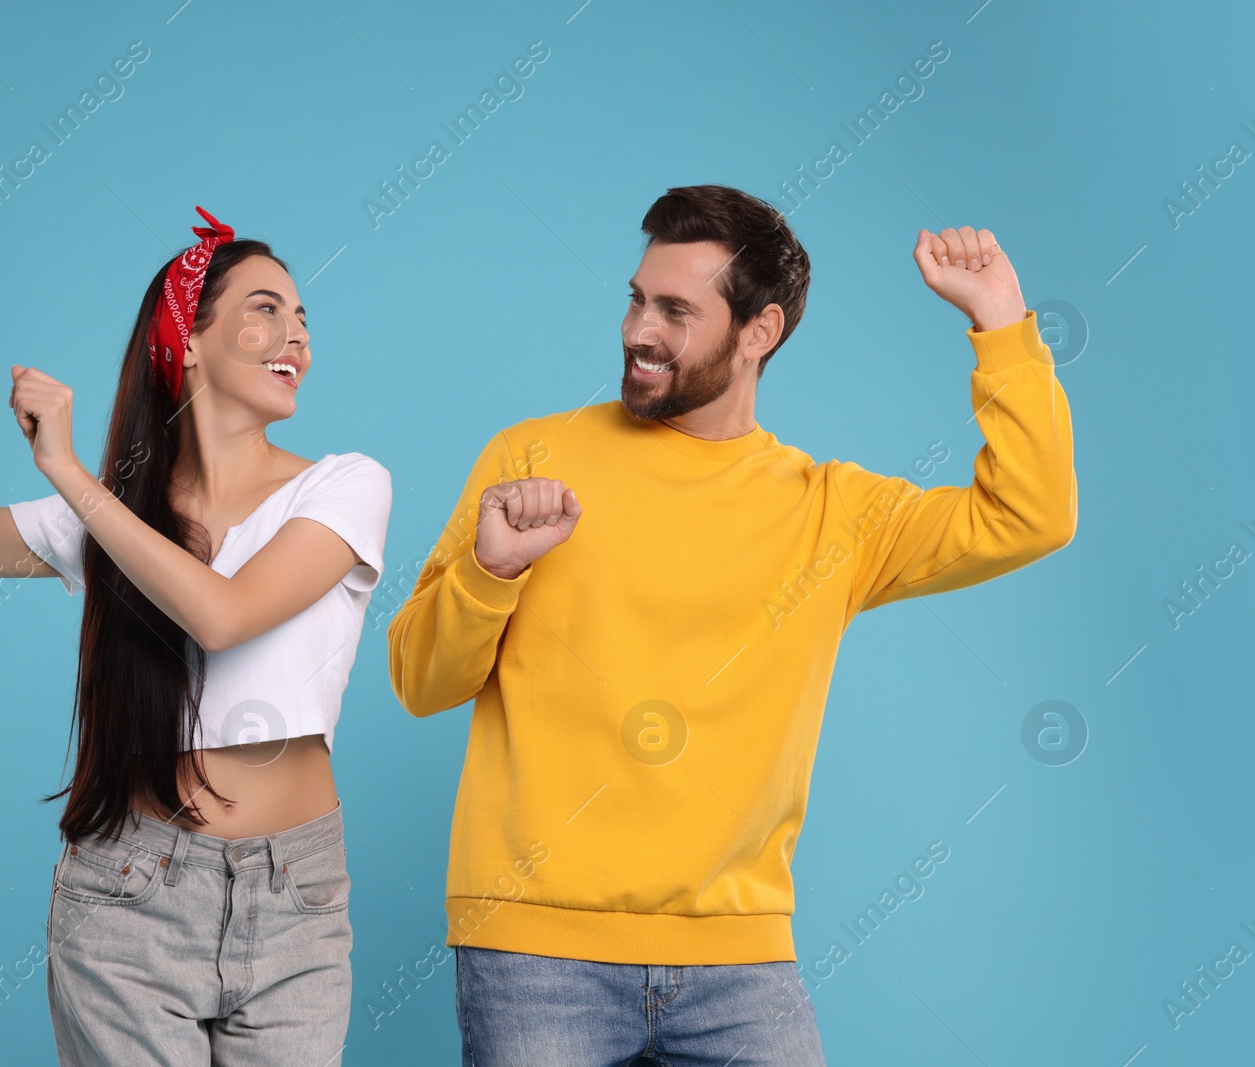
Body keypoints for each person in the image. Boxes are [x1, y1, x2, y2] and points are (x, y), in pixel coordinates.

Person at [386, 184, 1075, 1064]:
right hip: (533, 951)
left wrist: (1002, 323)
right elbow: (418, 681)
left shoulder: (831, 514)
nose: (639, 330)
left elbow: (1031, 514)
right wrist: (492, 571)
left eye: (676, 310)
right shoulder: (532, 458)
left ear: (761, 331)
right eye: (637, 298)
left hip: (739, 962)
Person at [0, 207, 391, 1066]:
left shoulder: (347, 486)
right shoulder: (111, 521)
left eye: (304, 318)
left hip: (295, 899)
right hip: (130, 895)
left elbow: (224, 614)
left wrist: (69, 475)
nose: (297, 336)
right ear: (188, 342)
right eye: (267, 309)